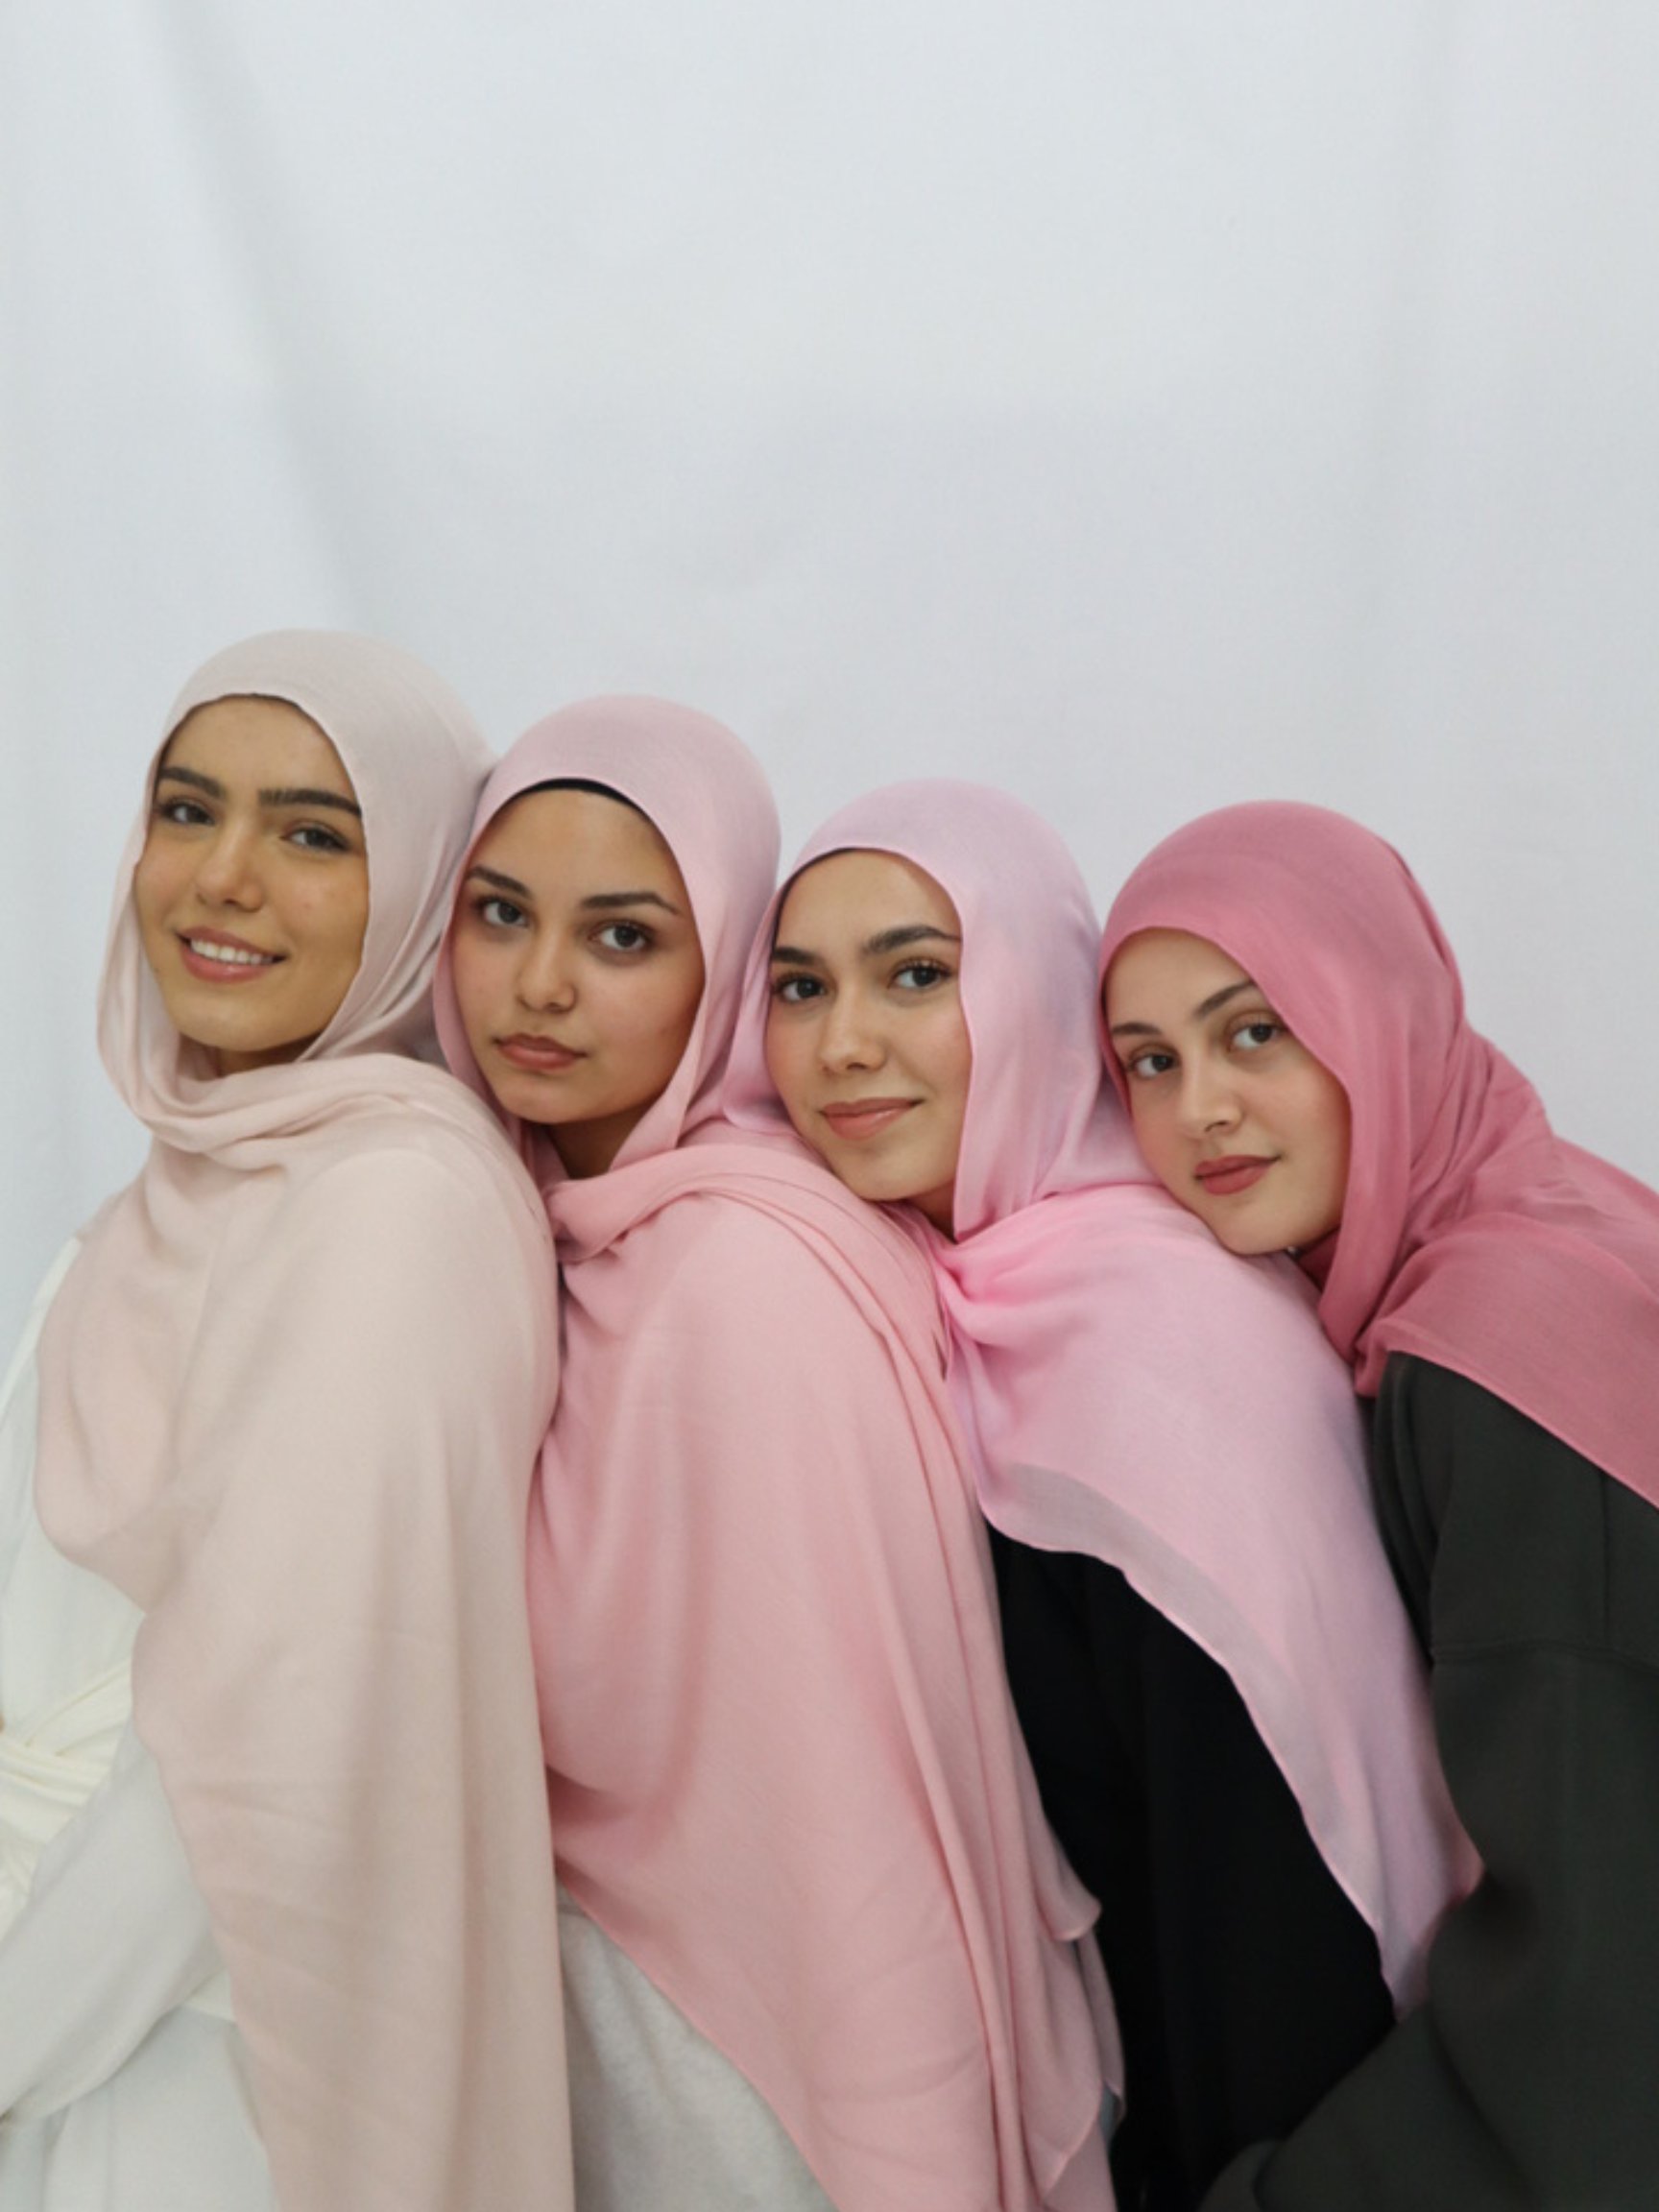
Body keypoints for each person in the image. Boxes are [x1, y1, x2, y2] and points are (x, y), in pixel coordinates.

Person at [726, 781, 1473, 2212]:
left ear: (1033, 1000)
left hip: (1292, 2126)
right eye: (799, 988)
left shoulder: (1149, 1329)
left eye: (917, 975)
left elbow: (1264, 1870)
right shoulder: (961, 1294)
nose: (843, 1045)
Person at [436, 700, 1115, 2212]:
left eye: (621, 939)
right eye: (497, 914)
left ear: (721, 971)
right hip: (618, 2022)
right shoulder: (569, 1234)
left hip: (751, 2071)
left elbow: (843, 1799)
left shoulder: (741, 1275)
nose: (538, 987)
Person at [0, 633, 572, 2212]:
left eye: (315, 835)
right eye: (188, 812)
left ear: (422, 898)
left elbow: (253, 1763)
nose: (221, 879)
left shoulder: (396, 1209)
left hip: (207, 2082)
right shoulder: (182, 1189)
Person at [1099, 797, 1659, 2211]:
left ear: (1381, 1015)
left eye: (1254, 1031)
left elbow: (1600, 1979)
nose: (1199, 1110)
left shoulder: (1491, 1349)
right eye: (1147, 1064)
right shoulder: (1553, 1211)